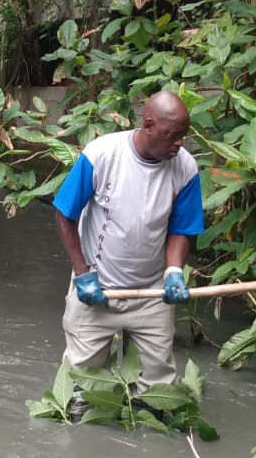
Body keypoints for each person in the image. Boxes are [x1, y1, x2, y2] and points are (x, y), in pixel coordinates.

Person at [50, 90, 204, 418]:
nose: (179, 144)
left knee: (157, 394)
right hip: (97, 288)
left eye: (183, 136)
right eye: (173, 135)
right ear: (149, 125)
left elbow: (182, 228)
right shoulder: (102, 154)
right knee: (83, 393)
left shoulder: (185, 169)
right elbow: (65, 214)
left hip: (151, 293)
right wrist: (82, 273)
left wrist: (174, 270)